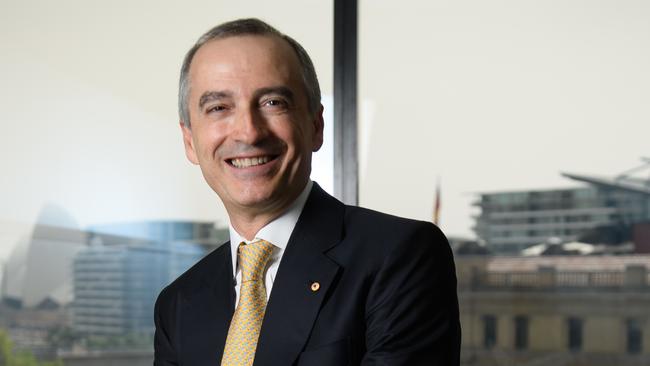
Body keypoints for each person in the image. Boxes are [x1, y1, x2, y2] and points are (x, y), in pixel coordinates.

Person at [154, 18, 460, 366]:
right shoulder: (177, 305)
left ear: (316, 126)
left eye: (272, 102)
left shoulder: (400, 257)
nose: (249, 132)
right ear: (190, 141)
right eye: (219, 108)